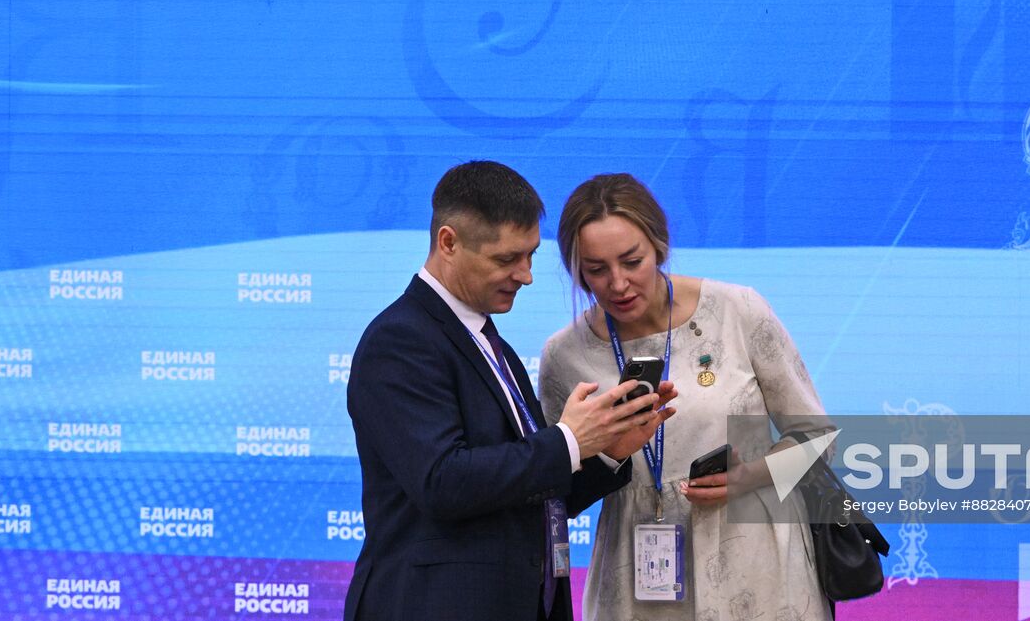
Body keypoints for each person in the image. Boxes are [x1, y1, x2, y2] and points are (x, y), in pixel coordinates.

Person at [344, 161, 676, 621]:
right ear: (448, 243)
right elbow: (442, 481)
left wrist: (606, 451)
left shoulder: (489, 343)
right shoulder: (400, 339)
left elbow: (531, 494)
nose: (526, 275)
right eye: (506, 259)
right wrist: (569, 440)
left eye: (531, 255)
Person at [540, 173, 833, 621]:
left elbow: (818, 440)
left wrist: (748, 477)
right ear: (576, 271)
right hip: (637, 579)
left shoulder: (737, 310)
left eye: (632, 261)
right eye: (596, 270)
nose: (618, 283)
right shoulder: (564, 355)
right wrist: (613, 453)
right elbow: (557, 490)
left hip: (757, 566)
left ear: (659, 247)